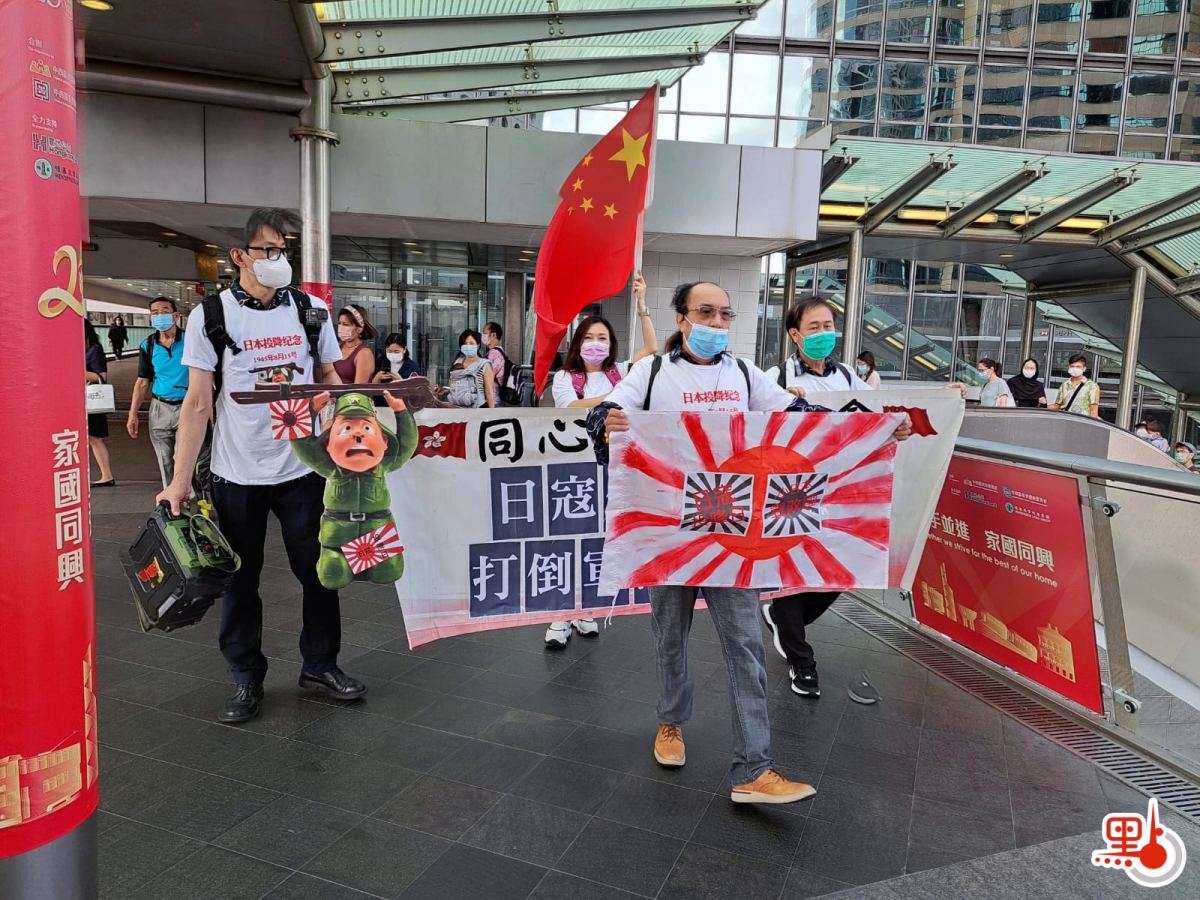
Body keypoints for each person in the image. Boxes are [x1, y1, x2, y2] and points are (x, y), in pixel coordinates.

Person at [586, 281, 912, 805]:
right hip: (668, 535)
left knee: (745, 645)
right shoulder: (651, 373)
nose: (717, 323)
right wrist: (608, 422)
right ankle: (670, 721)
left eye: (725, 314)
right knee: (670, 636)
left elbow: (801, 417)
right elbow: (601, 416)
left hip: (733, 536)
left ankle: (754, 768)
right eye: (705, 313)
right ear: (681, 317)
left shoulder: (743, 374)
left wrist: (871, 431)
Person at [156, 207, 366, 724]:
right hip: (237, 474)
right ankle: (246, 676)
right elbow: (198, 402)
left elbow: (329, 377)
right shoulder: (212, 316)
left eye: (283, 250)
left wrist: (341, 421)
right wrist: (179, 481)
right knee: (239, 580)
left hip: (302, 470)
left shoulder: (310, 309)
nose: (278, 259)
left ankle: (320, 665)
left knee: (318, 573)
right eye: (268, 250)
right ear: (240, 256)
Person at [543, 275, 655, 648]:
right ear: (578, 342)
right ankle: (559, 616)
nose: (596, 343)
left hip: (609, 471)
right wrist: (614, 396)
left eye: (603, 338)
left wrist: (642, 304)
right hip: (570, 471)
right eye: (589, 337)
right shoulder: (566, 377)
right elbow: (571, 408)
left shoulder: (619, 371)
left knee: (596, 541)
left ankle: (585, 610)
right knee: (565, 541)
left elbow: (651, 348)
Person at [127, 297, 188, 488]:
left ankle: (190, 499)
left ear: (176, 316)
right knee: (165, 460)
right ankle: (170, 500)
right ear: (150, 318)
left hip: (187, 406)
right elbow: (142, 382)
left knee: (182, 458)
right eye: (155, 313)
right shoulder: (148, 345)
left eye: (165, 311)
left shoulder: (191, 341)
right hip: (159, 407)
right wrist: (133, 414)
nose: (159, 316)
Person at [85, 320, 116, 487]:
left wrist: (77, 370)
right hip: (82, 401)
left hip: (93, 400)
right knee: (91, 439)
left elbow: (101, 377)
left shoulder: (94, 350)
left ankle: (107, 475)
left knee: (95, 438)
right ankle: (105, 475)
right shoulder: (78, 350)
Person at [437, 329, 496, 408]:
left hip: (477, 408)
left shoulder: (485, 365)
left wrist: (492, 412)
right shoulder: (458, 362)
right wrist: (443, 391)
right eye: (465, 343)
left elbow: (489, 392)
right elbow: (451, 385)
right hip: (457, 409)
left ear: (478, 345)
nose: (468, 346)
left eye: (471, 343)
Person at [333, 304, 377, 384]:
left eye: (346, 324)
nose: (341, 327)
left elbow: (358, 388)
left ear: (359, 329)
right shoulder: (338, 347)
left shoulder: (364, 353)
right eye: (339, 323)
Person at [481, 321, 508, 406]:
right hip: (496, 399)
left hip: (493, 400)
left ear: (493, 335)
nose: (483, 336)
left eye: (485, 333)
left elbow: (488, 376)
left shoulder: (495, 353)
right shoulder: (499, 351)